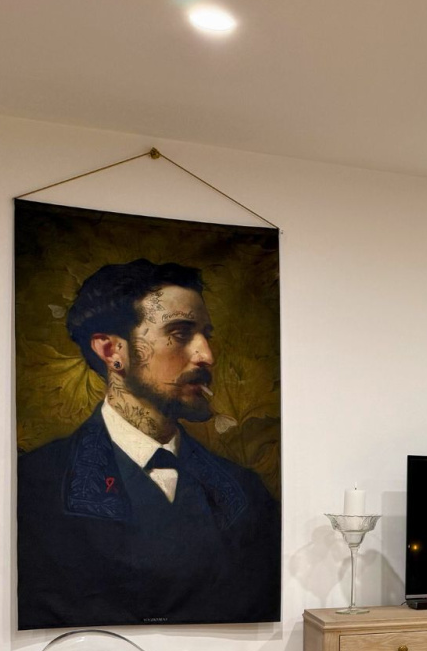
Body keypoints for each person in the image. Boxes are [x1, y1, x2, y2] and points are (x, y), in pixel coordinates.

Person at [17, 259, 280, 628]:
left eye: (206, 334)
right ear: (112, 351)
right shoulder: (36, 485)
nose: (206, 355)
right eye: (180, 333)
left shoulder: (245, 493)